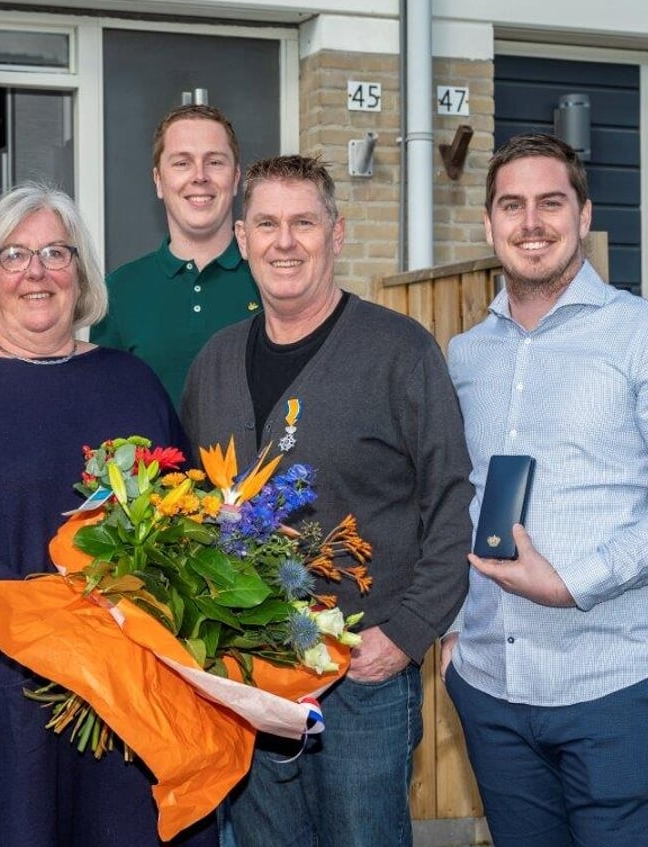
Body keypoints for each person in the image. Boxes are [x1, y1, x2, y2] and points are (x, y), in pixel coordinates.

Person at [0, 183, 215, 847]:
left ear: (82, 272)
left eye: (55, 253)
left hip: (130, 684)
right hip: (3, 681)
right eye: (15, 256)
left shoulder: (131, 381)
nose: (36, 273)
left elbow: (184, 512)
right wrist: (52, 620)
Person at [441, 133, 648, 847]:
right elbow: (455, 496)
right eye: (512, 205)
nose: (531, 222)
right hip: (492, 688)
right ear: (488, 225)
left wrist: (575, 579)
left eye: (551, 202)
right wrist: (451, 634)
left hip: (619, 688)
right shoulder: (465, 354)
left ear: (584, 216)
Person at [182, 155, 473, 847]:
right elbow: (190, 508)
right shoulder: (213, 363)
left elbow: (454, 497)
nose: (285, 241)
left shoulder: (399, 351)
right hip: (248, 678)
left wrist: (405, 635)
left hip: (362, 679)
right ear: (242, 239)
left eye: (304, 222)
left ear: (336, 234)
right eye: (267, 223)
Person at [90, 104, 261, 405]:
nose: (199, 176)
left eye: (215, 162)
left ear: (235, 179)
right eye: (182, 163)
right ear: (158, 181)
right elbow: (106, 410)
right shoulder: (118, 291)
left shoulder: (270, 278)